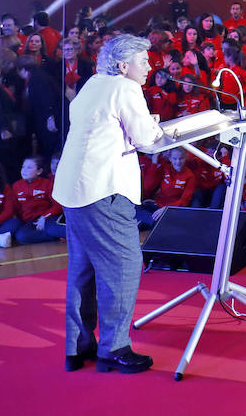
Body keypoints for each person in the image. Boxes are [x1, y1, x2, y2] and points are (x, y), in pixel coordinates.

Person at [53, 33, 167, 376]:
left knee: (83, 269)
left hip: (75, 190)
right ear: (123, 66)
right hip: (103, 192)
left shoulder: (93, 83)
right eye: (143, 61)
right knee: (124, 267)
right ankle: (114, 349)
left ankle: (78, 348)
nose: (149, 67)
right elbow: (146, 140)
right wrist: (154, 128)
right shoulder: (125, 88)